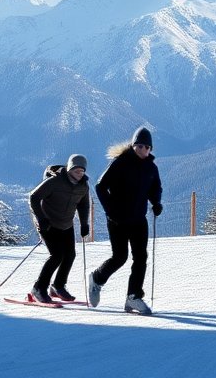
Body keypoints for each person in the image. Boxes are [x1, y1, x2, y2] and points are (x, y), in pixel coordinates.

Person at [88, 127, 162, 314]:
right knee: (120, 257)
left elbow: (155, 188)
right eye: (139, 146)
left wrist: (156, 203)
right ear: (133, 145)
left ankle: (133, 297)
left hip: (139, 219)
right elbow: (100, 187)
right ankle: (97, 278)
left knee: (141, 257)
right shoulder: (120, 163)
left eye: (146, 147)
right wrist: (111, 210)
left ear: (150, 148)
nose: (143, 150)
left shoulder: (151, 168)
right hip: (117, 220)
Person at [28, 154, 91, 302]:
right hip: (48, 224)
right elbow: (34, 197)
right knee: (56, 256)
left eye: (82, 171)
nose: (80, 174)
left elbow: (83, 205)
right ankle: (38, 288)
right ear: (69, 169)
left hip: (66, 224)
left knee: (69, 255)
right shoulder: (55, 182)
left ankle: (58, 286)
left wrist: (84, 224)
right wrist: (41, 219)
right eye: (77, 170)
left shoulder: (83, 186)